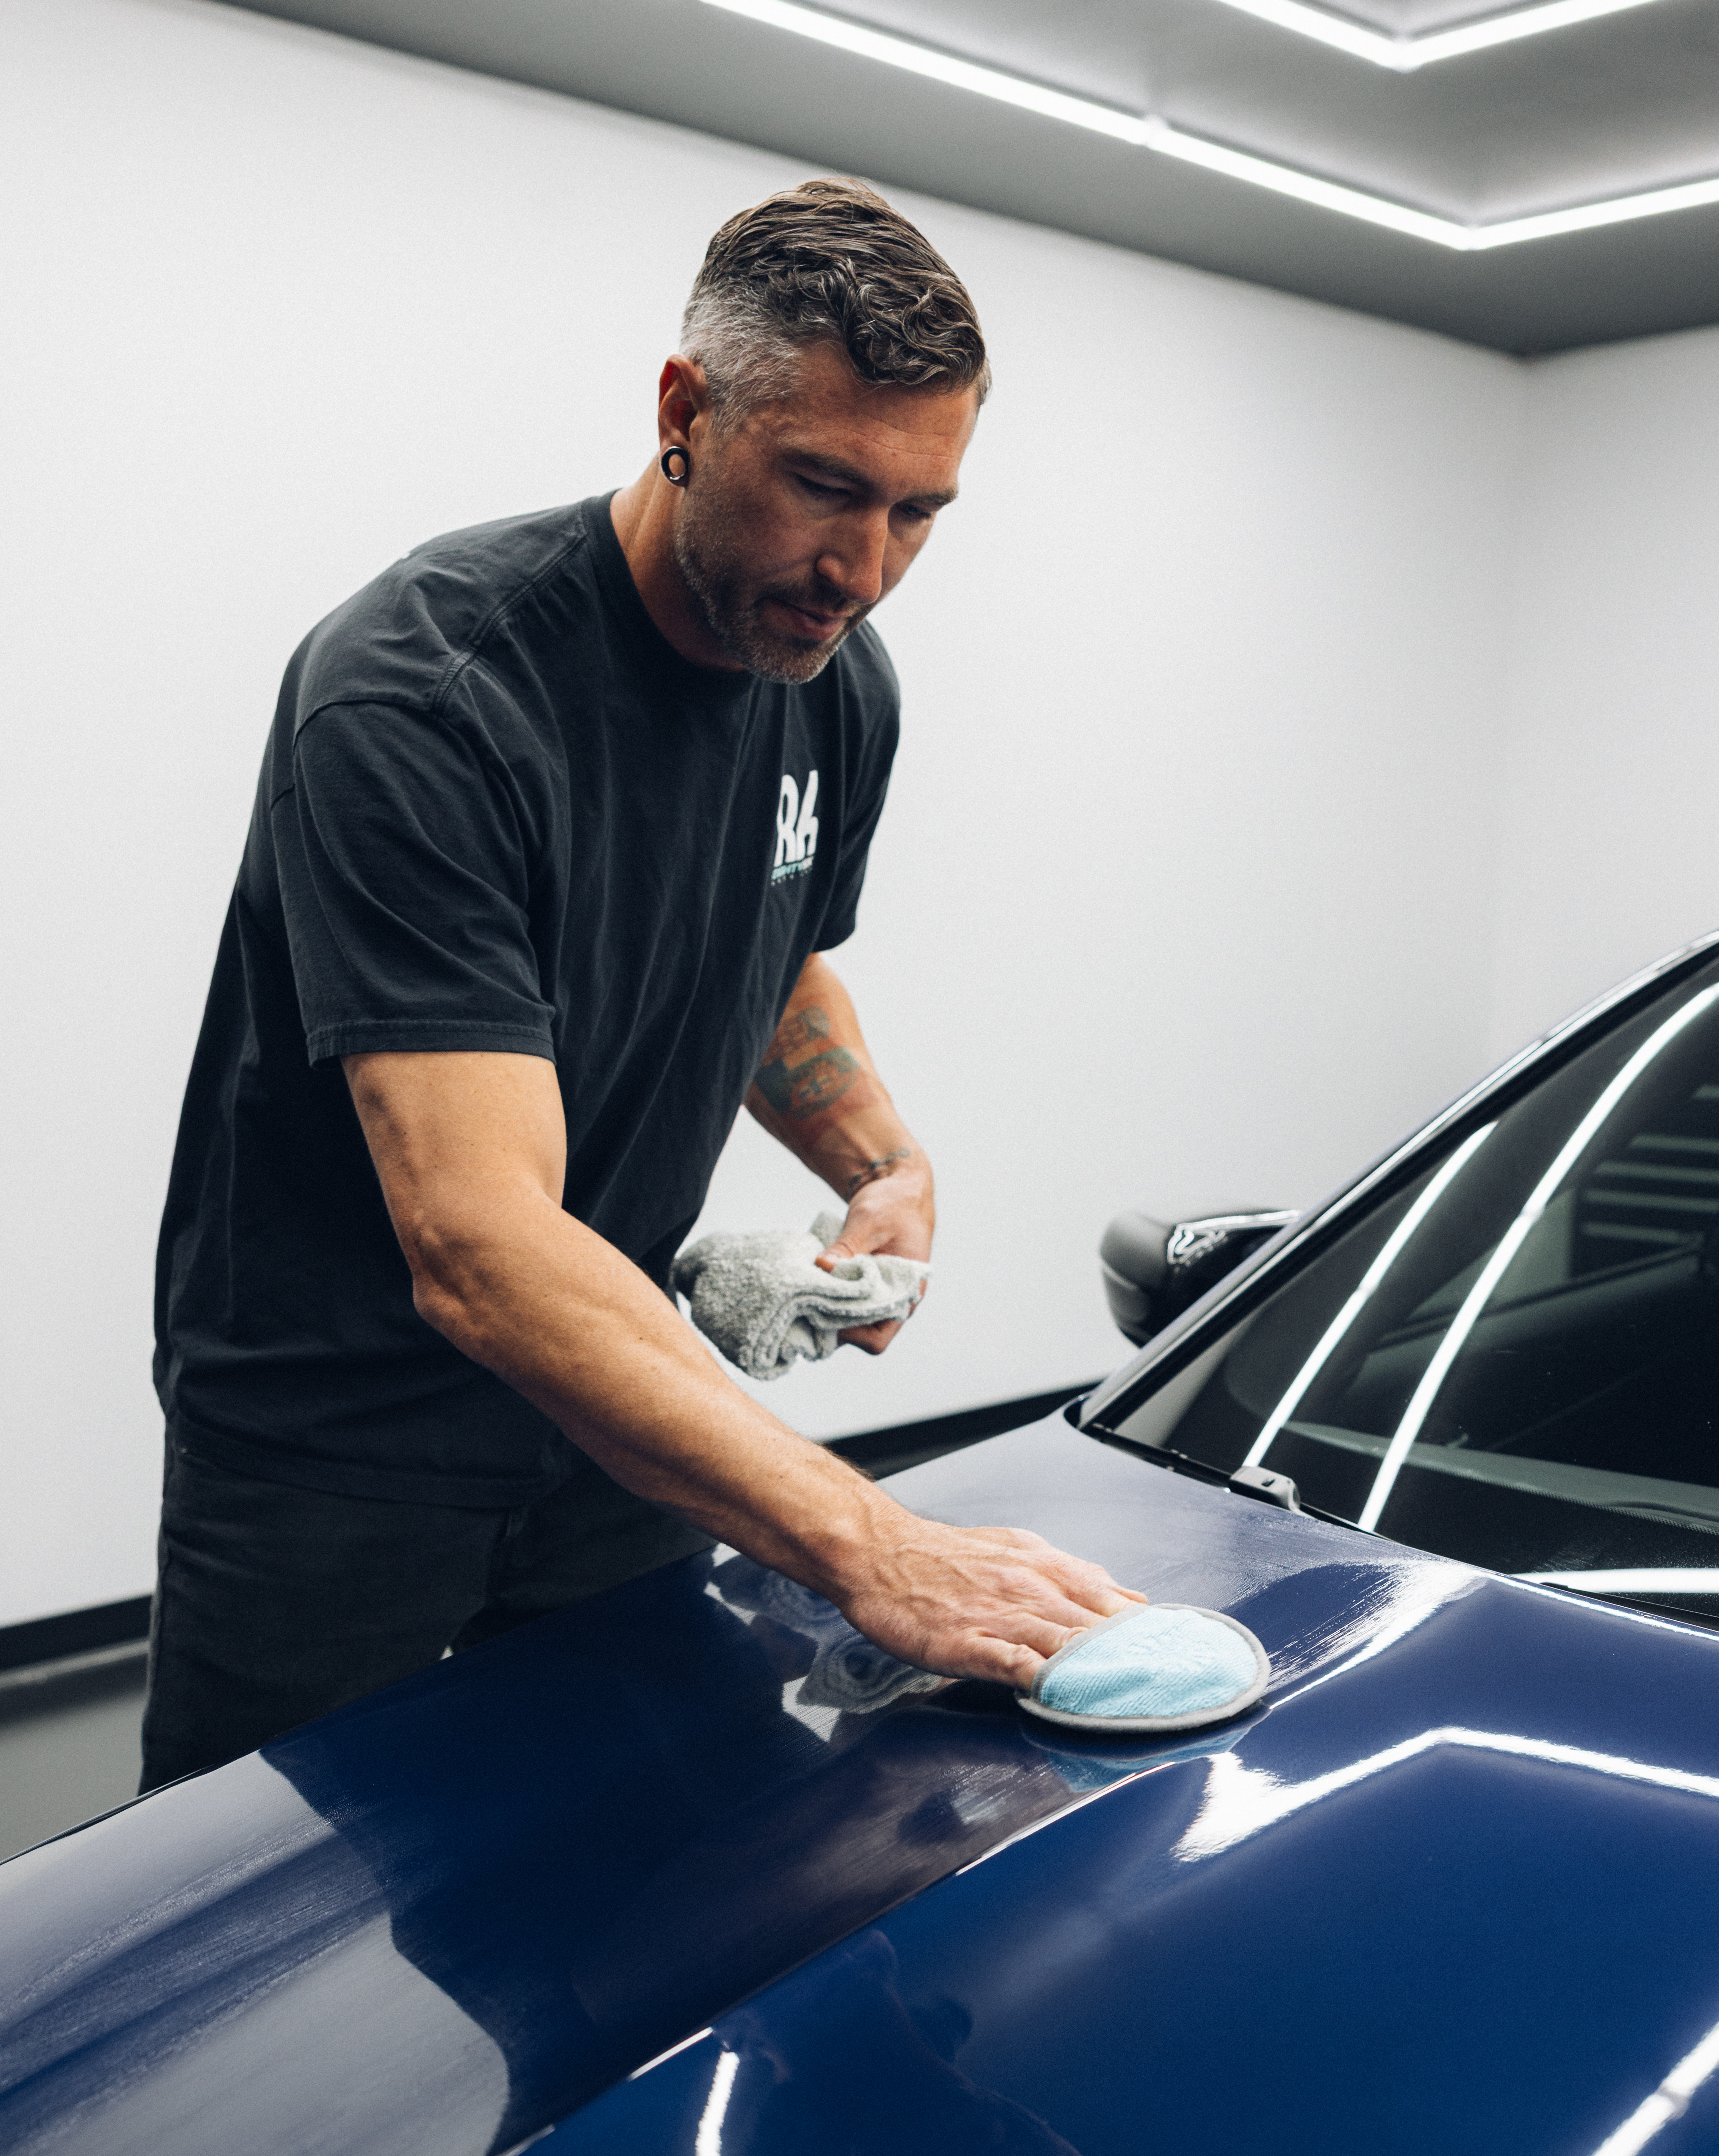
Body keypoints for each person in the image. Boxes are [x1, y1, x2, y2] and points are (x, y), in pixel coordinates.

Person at [144, 177, 1137, 1793]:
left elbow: (767, 949)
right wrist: (871, 1540)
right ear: (685, 414)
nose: (862, 567)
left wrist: (879, 1158)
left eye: (917, 513)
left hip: (616, 1420)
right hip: (338, 1454)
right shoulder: (425, 695)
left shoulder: (834, 684)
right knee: (253, 1923)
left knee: (652, 1858)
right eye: (824, 486)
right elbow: (480, 1245)